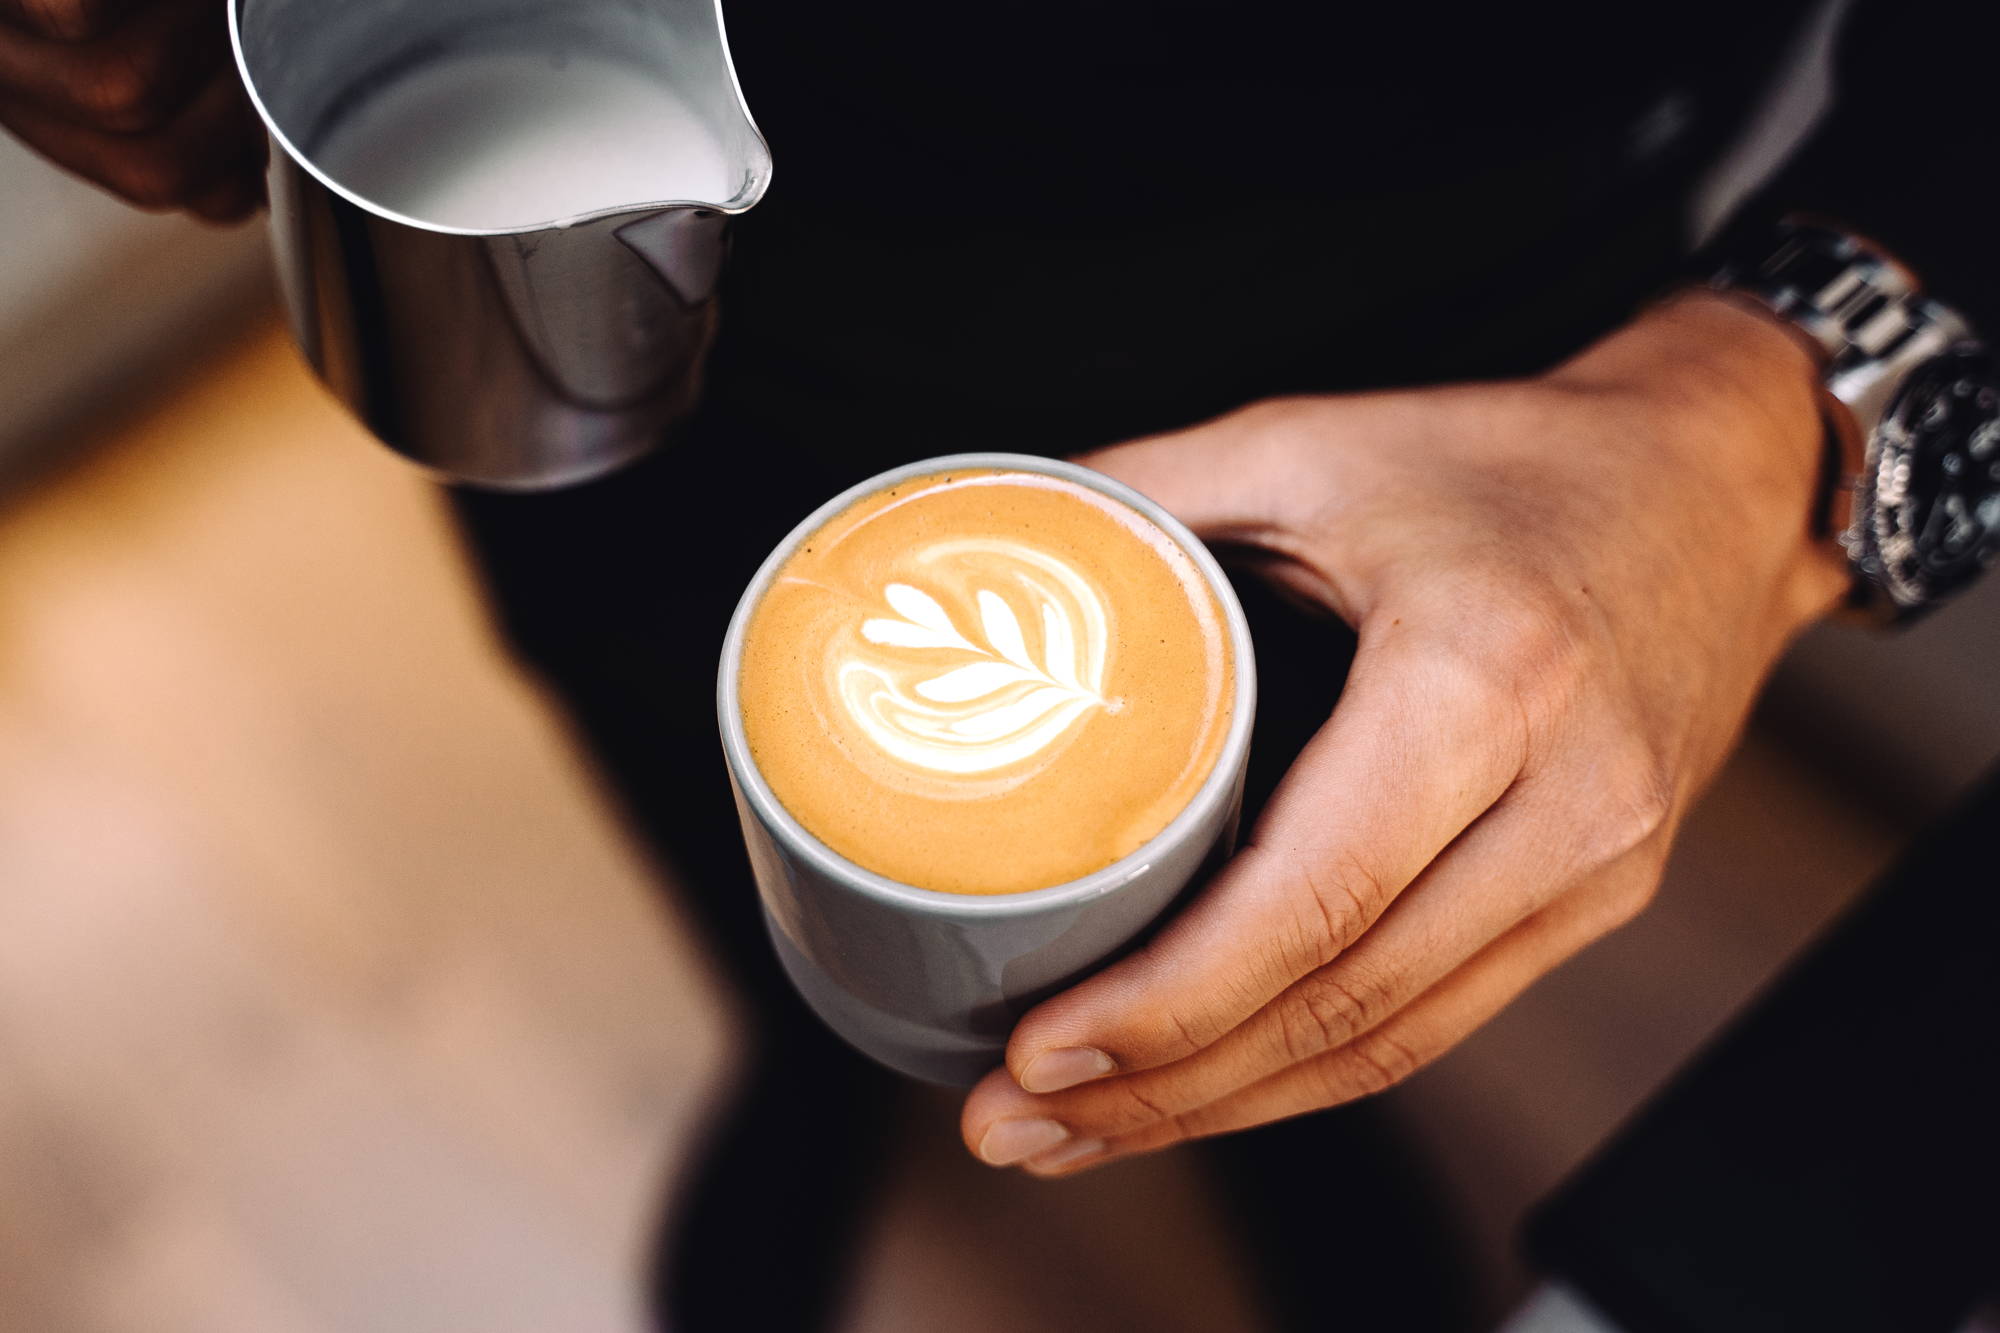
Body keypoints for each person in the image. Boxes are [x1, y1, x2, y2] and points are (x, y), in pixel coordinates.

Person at [8, 1, 1996, 1328]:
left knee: (1286, 881)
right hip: (604, 217)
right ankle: (805, 1061)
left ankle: (1279, 1139)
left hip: (1424, 303)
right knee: (671, 728)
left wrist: (1772, 415)